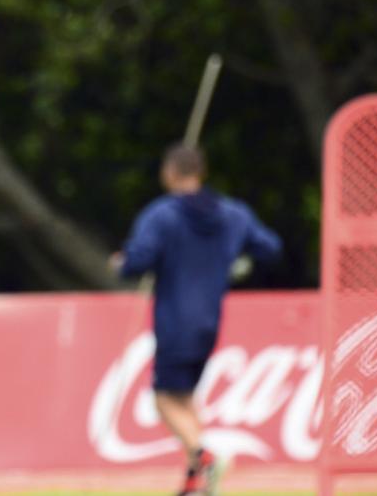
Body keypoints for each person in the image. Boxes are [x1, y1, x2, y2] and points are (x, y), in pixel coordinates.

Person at [110, 144, 281, 496]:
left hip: (175, 321)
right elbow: (270, 247)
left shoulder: (162, 215)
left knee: (163, 399)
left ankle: (205, 458)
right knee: (186, 398)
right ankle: (197, 482)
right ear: (201, 172)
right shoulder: (234, 214)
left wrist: (119, 264)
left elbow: (136, 261)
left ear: (170, 172)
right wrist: (239, 259)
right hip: (209, 322)